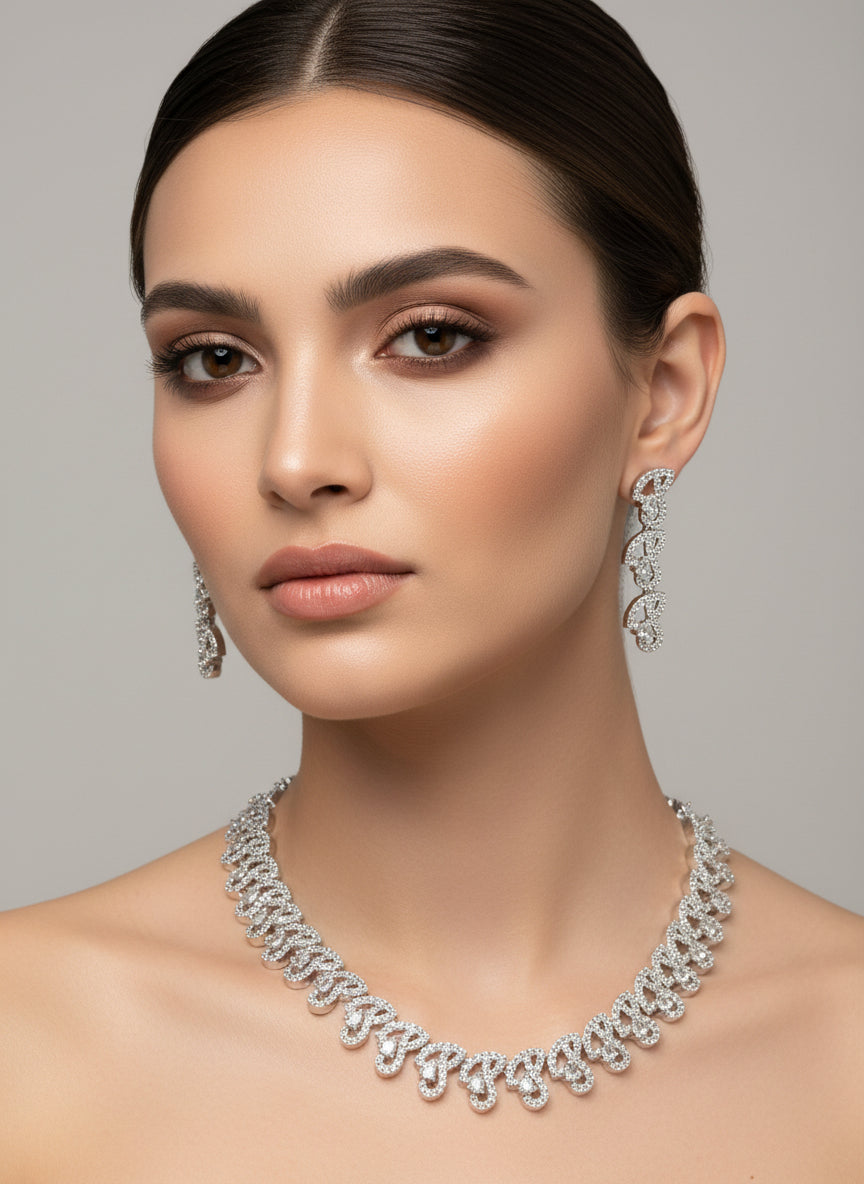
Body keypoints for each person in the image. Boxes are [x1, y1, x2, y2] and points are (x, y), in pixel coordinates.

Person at [1, 0, 861, 1178]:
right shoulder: (29, 1044)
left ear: (664, 391)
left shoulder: (843, 1053)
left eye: (433, 336)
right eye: (214, 359)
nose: (295, 459)